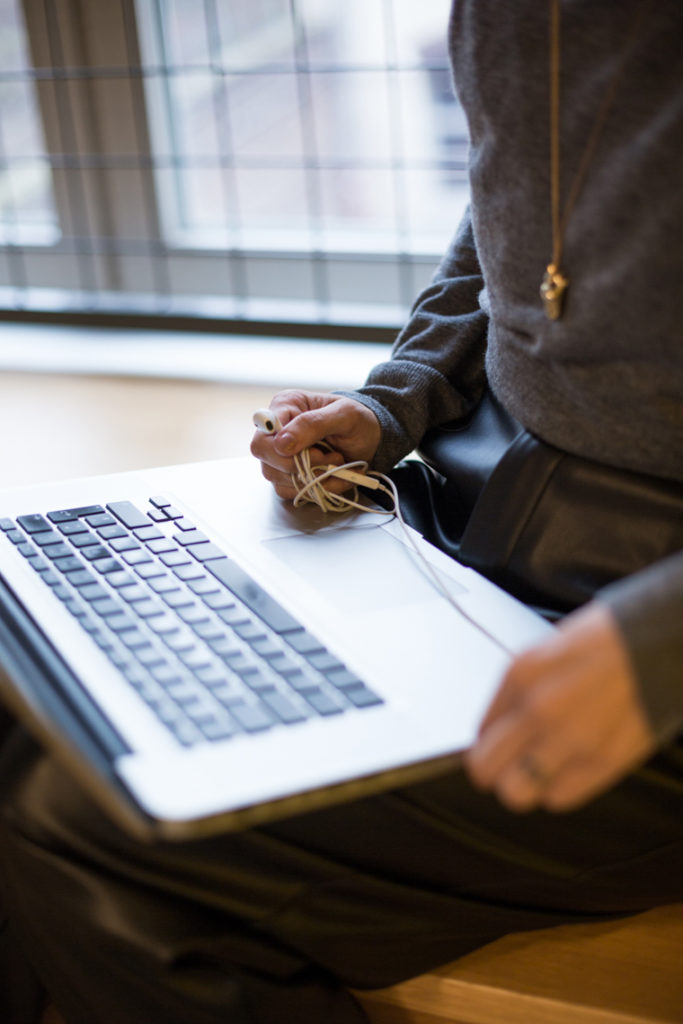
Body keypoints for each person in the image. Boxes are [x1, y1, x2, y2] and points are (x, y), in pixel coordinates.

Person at [0, 2, 681, 1022]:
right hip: (473, 505)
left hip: (644, 625)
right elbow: (533, 209)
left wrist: (660, 643)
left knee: (73, 821)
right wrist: (391, 400)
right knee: (26, 716)